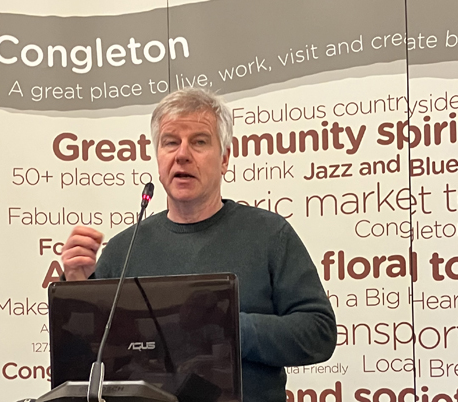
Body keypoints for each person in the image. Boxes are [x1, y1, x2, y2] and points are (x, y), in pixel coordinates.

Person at [62, 88, 337, 402]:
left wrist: (231, 328)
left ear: (224, 159)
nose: (182, 154)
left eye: (199, 142)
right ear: (158, 157)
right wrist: (76, 291)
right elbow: (82, 362)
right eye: (170, 142)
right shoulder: (123, 250)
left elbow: (319, 332)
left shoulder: (270, 234)